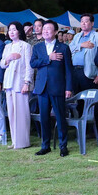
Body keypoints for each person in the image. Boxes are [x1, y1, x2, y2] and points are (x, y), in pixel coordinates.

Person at [30, 20, 73, 156]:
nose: (45, 31)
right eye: (44, 29)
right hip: (42, 88)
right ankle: (45, 145)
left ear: (55, 32)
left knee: (60, 117)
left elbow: (69, 70)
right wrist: (48, 58)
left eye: (49, 29)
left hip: (58, 86)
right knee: (44, 118)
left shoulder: (64, 48)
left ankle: (63, 146)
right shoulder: (38, 47)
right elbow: (33, 63)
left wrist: (68, 88)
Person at [1, 22, 34, 149]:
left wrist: (27, 82)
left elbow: (29, 66)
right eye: (10, 30)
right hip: (9, 82)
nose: (11, 32)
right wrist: (9, 59)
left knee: (21, 113)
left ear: (19, 31)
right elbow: (2, 64)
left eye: (14, 30)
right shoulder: (7, 47)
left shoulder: (25, 46)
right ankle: (15, 141)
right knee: (12, 113)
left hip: (20, 83)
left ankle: (23, 141)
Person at [69, 14, 98, 92]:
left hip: (89, 71)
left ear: (92, 23)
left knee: (90, 98)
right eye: (82, 21)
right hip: (75, 70)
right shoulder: (77, 36)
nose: (83, 23)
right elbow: (69, 48)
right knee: (78, 97)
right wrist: (81, 45)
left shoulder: (97, 36)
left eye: (86, 21)